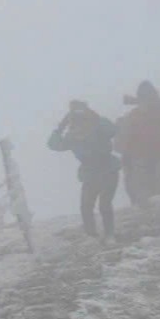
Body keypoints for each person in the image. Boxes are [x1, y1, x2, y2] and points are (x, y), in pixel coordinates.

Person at [48, 100, 121, 239]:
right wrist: (60, 128)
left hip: (108, 167)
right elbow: (54, 145)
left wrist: (96, 117)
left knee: (104, 204)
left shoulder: (98, 125)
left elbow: (112, 130)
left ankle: (110, 235)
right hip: (89, 172)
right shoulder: (72, 134)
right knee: (86, 207)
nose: (79, 115)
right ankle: (92, 236)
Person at [115, 80, 160, 213]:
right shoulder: (134, 114)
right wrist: (126, 154)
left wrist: (153, 109)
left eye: (147, 95)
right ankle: (145, 208)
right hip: (142, 153)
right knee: (141, 182)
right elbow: (128, 135)